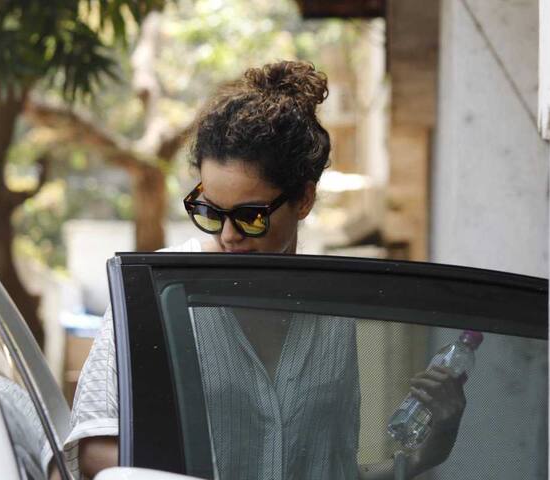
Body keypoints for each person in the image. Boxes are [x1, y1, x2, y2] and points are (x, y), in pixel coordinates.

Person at [66, 60, 466, 479]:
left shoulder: (333, 319)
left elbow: (334, 471)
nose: (228, 235)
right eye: (210, 211)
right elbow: (95, 451)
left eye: (251, 216)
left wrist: (424, 453)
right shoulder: (155, 293)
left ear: (303, 200)